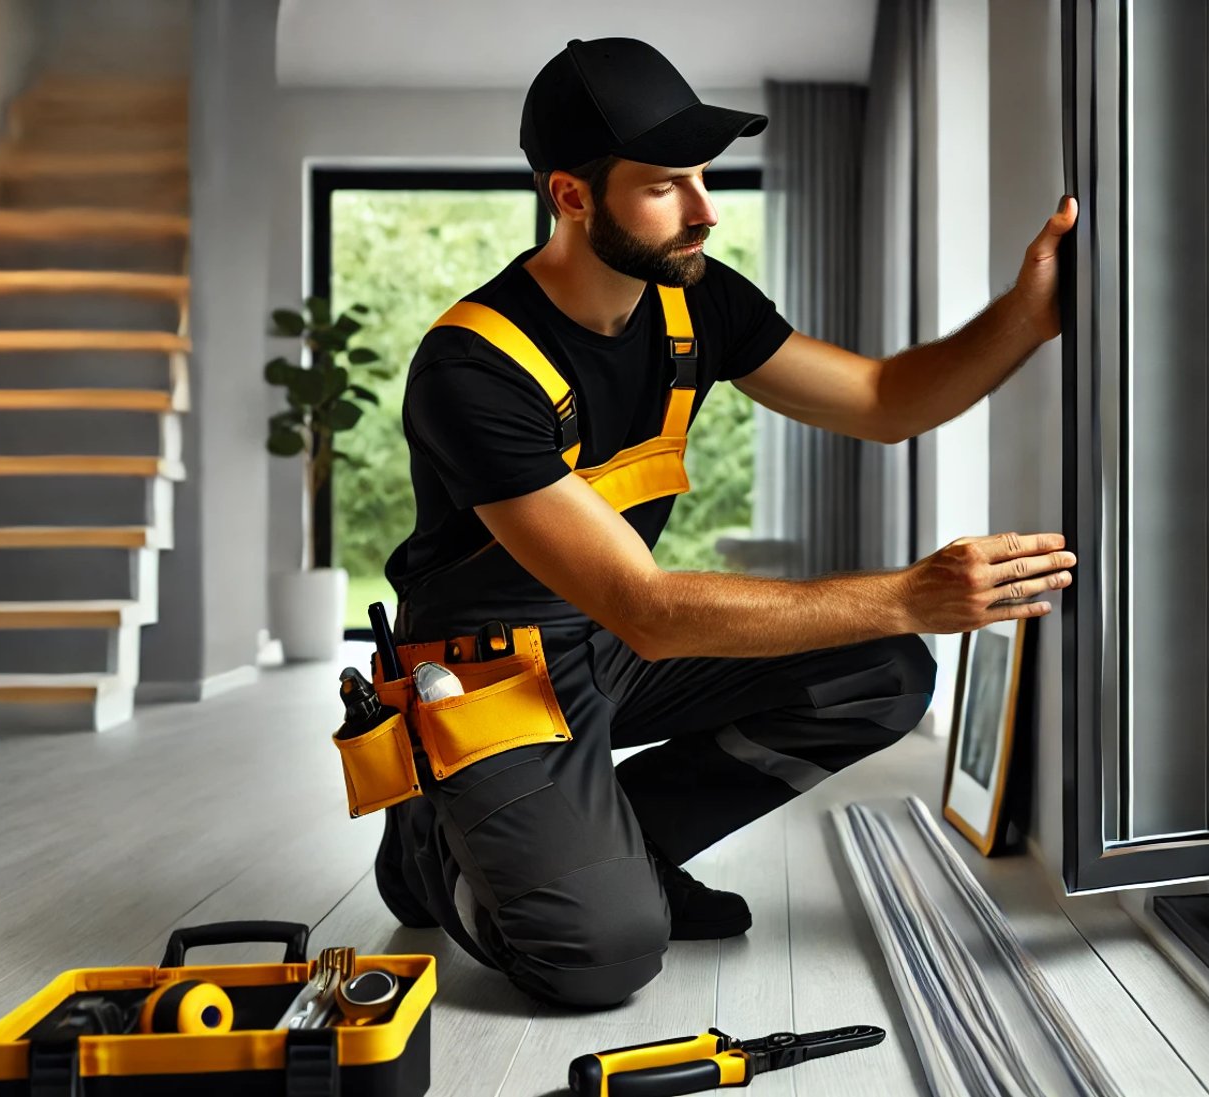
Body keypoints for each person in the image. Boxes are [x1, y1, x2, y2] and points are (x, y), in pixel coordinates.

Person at [374, 36, 1080, 1009]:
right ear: (573, 195)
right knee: (599, 956)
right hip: (494, 665)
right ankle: (430, 845)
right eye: (666, 185)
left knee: (883, 669)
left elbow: (881, 399)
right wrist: (912, 591)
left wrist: (1027, 315)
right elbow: (649, 604)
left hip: (609, 644)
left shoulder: (694, 301)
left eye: (703, 176)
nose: (705, 208)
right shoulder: (473, 367)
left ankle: (634, 844)